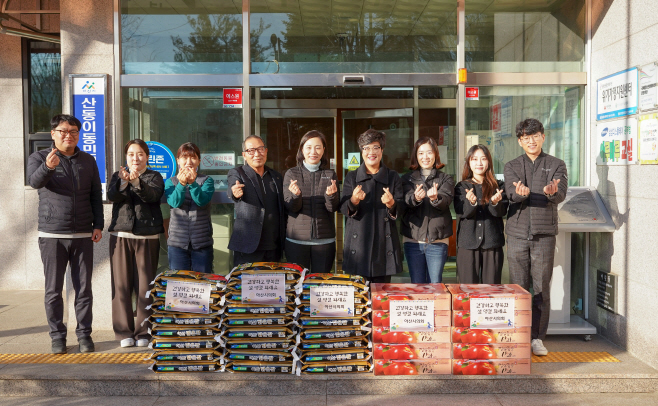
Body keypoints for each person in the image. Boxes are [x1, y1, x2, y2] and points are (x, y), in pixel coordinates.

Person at [27, 114, 104, 354]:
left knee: (84, 289)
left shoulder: (88, 160)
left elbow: (95, 195)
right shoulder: (39, 157)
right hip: (52, 234)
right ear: (53, 134)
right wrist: (48, 167)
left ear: (78, 134)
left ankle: (84, 336)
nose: (68, 135)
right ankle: (57, 337)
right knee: (53, 290)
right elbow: (34, 182)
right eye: (62, 131)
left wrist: (98, 225)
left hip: (83, 233)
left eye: (73, 131)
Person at [504, 118, 567, 357]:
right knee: (519, 288)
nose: (531, 140)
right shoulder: (512, 165)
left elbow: (560, 193)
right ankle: (519, 335)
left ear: (543, 136)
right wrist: (519, 196)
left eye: (535, 135)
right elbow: (510, 193)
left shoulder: (556, 164)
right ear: (520, 141)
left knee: (541, 288)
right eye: (526, 137)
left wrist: (552, 194)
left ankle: (538, 338)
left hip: (544, 235)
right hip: (517, 234)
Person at [107, 139, 164, 348]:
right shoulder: (117, 176)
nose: (135, 158)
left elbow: (152, 196)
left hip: (147, 237)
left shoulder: (155, 177)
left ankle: (143, 332)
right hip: (121, 236)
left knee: (145, 287)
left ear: (147, 156)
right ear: (126, 157)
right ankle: (124, 332)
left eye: (140, 154)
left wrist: (137, 183)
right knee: (121, 285)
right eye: (131, 154)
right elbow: (112, 196)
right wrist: (123, 182)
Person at [340, 129, 404, 283]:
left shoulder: (392, 176)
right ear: (361, 151)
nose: (371, 152)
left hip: (383, 243)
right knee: (359, 298)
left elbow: (402, 208)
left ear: (382, 150)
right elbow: (343, 207)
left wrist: (391, 203)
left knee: (381, 296)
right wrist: (354, 200)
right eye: (366, 148)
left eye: (375, 147)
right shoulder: (352, 176)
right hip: (358, 244)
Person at [283, 131, 339, 272]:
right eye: (308, 147)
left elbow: (333, 208)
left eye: (318, 147)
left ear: (324, 150)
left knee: (320, 285)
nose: (313, 151)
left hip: (324, 241)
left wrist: (330, 196)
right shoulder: (291, 173)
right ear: (302, 149)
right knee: (297, 285)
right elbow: (290, 207)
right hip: (296, 241)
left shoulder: (330, 174)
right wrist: (296, 196)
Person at [401, 137, 454, 283]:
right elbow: (405, 200)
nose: (425, 157)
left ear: (435, 154)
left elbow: (447, 200)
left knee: (435, 284)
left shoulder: (445, 178)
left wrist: (435, 198)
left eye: (429, 153)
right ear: (415, 156)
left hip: (438, 240)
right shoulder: (407, 179)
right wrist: (415, 199)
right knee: (417, 284)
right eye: (421, 153)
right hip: (413, 240)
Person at [228, 135, 285, 266]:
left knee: (272, 284)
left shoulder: (276, 176)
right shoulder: (237, 173)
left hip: (273, 245)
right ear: (244, 155)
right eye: (251, 150)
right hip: (248, 244)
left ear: (266, 151)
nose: (257, 154)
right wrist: (235, 192)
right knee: (248, 284)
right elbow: (232, 188)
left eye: (260, 149)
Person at [454, 144, 508, 284]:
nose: (479, 163)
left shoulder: (499, 186)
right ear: (469, 162)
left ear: (489, 162)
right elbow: (461, 212)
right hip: (467, 244)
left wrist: (495, 203)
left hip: (492, 243)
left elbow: (502, 212)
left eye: (483, 159)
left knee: (491, 288)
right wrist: (471, 203)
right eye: (474, 159)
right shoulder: (461, 187)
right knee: (467, 290)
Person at [164, 142, 215, 273]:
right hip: (177, 243)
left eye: (193, 157)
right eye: (184, 157)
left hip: (202, 242)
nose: (188, 161)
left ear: (199, 161)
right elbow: (174, 202)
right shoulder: (171, 182)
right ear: (178, 160)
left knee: (203, 283)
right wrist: (181, 184)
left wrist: (192, 184)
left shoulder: (206, 180)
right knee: (179, 283)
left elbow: (202, 201)